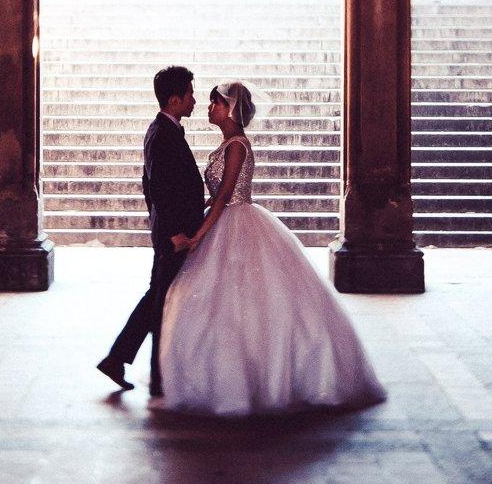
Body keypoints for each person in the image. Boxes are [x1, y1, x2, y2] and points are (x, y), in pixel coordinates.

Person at [155, 81, 386, 416]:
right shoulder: (226, 144)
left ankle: (253, 381)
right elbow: (217, 195)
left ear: (229, 108)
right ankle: (224, 379)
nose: (208, 108)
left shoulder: (236, 145)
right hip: (226, 219)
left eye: (214, 103)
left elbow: (225, 197)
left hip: (236, 222)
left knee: (244, 304)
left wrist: (198, 235)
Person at [97, 64, 206, 395]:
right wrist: (173, 231)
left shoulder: (164, 129)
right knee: (159, 301)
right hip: (173, 236)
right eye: (189, 94)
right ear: (174, 100)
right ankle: (154, 375)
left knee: (156, 297)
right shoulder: (162, 135)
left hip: (171, 231)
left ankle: (119, 360)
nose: (194, 100)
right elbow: (157, 187)